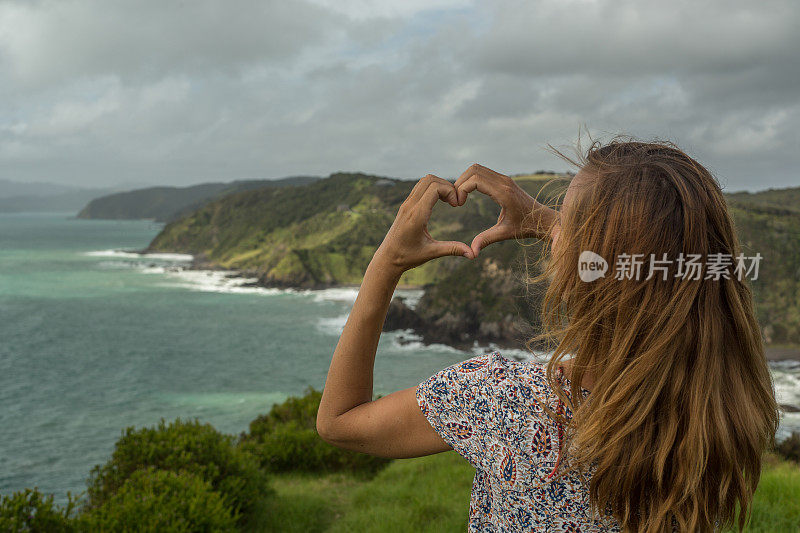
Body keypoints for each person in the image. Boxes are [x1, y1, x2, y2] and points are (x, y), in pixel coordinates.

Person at [315, 136, 780, 532]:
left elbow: (340, 421)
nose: (551, 226)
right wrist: (558, 226)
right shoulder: (724, 407)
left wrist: (388, 262)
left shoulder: (507, 405)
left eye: (565, 219)